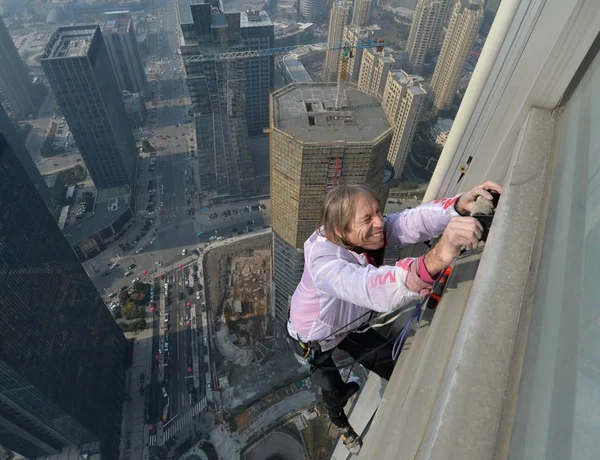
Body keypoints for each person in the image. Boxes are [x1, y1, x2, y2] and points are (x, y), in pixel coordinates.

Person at [287, 181, 502, 454]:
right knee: (333, 389)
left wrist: (458, 206)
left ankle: (416, 398)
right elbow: (371, 288)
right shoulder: (325, 266)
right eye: (368, 218)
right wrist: (439, 255)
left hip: (350, 325)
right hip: (313, 339)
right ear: (342, 231)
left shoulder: (354, 232)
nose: (379, 222)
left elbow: (405, 223)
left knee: (395, 364)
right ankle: (340, 422)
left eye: (378, 212)